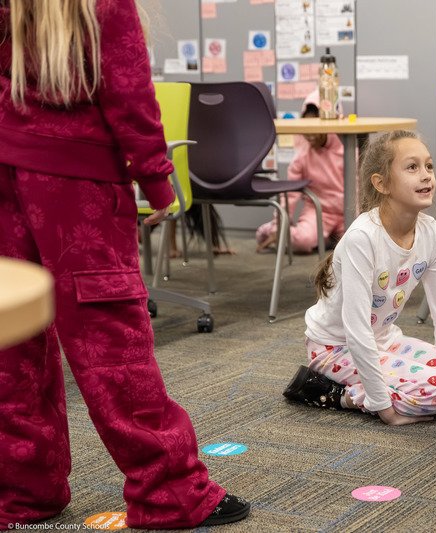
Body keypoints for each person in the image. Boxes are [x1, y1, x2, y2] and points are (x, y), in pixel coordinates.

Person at [0, 0, 248, 528]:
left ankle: (21, 494)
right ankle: (168, 494)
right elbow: (128, 90)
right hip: (76, 181)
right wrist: (157, 180)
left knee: (11, 344)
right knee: (110, 339)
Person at [282, 130, 436, 425]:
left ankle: (417, 392)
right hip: (335, 348)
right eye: (412, 167)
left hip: (383, 338)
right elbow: (357, 329)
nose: (426, 175)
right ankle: (335, 393)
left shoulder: (432, 232)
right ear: (381, 183)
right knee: (434, 391)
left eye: (429, 166)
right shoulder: (363, 238)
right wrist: (383, 408)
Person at [255, 91, 345, 254]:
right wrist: (278, 226)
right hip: (318, 212)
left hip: (346, 213)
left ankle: (324, 239)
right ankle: (272, 230)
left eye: (315, 128)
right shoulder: (302, 156)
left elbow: (358, 189)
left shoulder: (347, 151)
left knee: (357, 243)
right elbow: (289, 194)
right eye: (306, 128)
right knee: (303, 241)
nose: (310, 135)